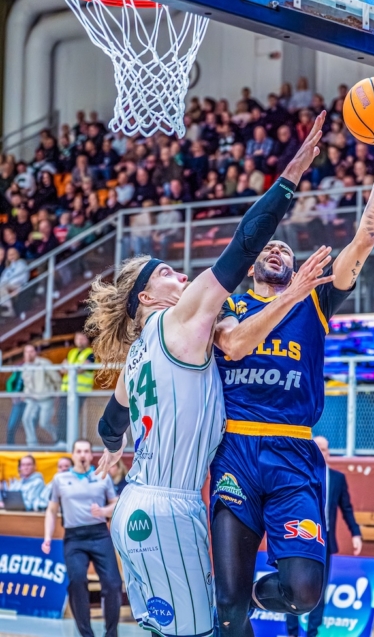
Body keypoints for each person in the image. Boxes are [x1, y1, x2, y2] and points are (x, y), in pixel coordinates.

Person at [87, 116, 329, 637]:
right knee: (206, 631)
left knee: (219, 624)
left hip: (136, 505)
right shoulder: (179, 321)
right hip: (168, 510)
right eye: (166, 273)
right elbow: (243, 246)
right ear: (146, 297)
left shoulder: (136, 355)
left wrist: (110, 449)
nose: (180, 274)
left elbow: (111, 420)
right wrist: (289, 179)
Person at [211, 108, 374, 637]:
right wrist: (290, 295)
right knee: (227, 608)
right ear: (252, 264)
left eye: (286, 248)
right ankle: (233, 605)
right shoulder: (228, 307)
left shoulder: (316, 302)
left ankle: (251, 595)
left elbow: (365, 237)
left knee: (303, 594)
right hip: (236, 448)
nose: (278, 249)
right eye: (270, 246)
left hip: (294, 453)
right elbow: (234, 346)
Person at [42, 439, 121, 637]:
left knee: (113, 583)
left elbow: (116, 503)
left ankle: (111, 633)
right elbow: (51, 510)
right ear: (73, 455)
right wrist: (47, 537)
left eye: (86, 451)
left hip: (100, 534)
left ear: (91, 455)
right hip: (74, 538)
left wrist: (103, 511)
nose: (83, 455)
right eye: (79, 451)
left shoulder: (102, 476)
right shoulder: (60, 479)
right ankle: (86, 634)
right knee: (77, 581)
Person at [286, 436, 362, 637]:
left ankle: (312, 632)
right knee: (291, 585)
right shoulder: (298, 475)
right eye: (317, 448)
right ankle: (292, 633)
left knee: (319, 589)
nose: (321, 452)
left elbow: (346, 508)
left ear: (329, 453)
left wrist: (356, 533)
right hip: (300, 540)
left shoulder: (337, 478)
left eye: (325, 449)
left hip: (324, 541)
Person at [21, 343, 61, 447]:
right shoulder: (25, 366)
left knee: (44, 423)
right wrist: (25, 394)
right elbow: (26, 383)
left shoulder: (44, 363)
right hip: (32, 398)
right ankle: (32, 444)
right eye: (26, 352)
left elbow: (56, 378)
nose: (29, 354)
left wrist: (58, 393)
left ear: (35, 352)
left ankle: (58, 438)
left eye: (31, 351)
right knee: (26, 419)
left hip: (46, 397)